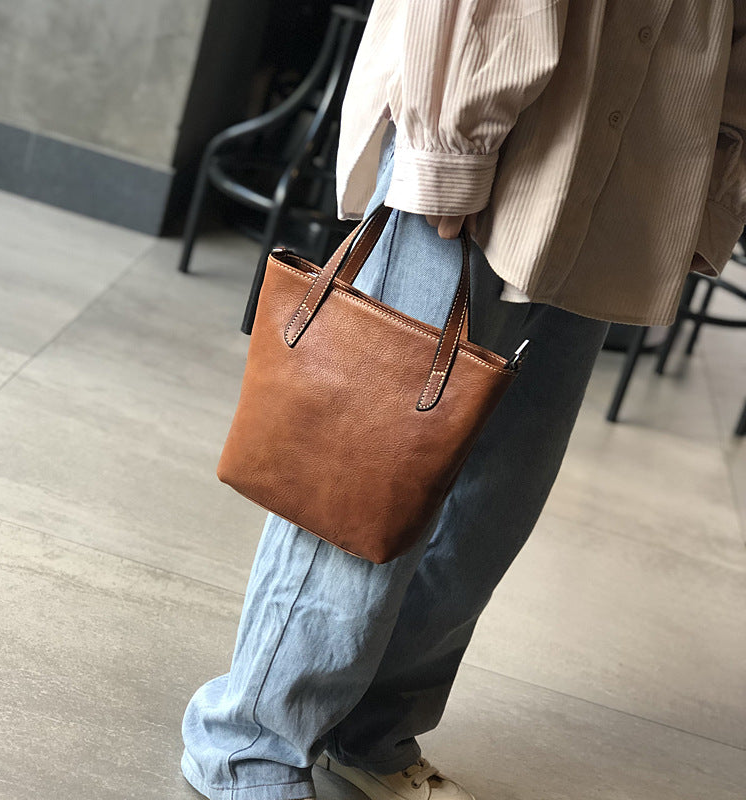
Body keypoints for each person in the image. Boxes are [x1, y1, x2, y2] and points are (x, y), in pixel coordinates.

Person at [181, 2, 746, 799]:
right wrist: (449, 146)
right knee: (365, 471)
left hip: (636, 159)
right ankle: (249, 742)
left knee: (497, 500)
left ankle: (370, 729)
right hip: (490, 128)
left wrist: (713, 178)